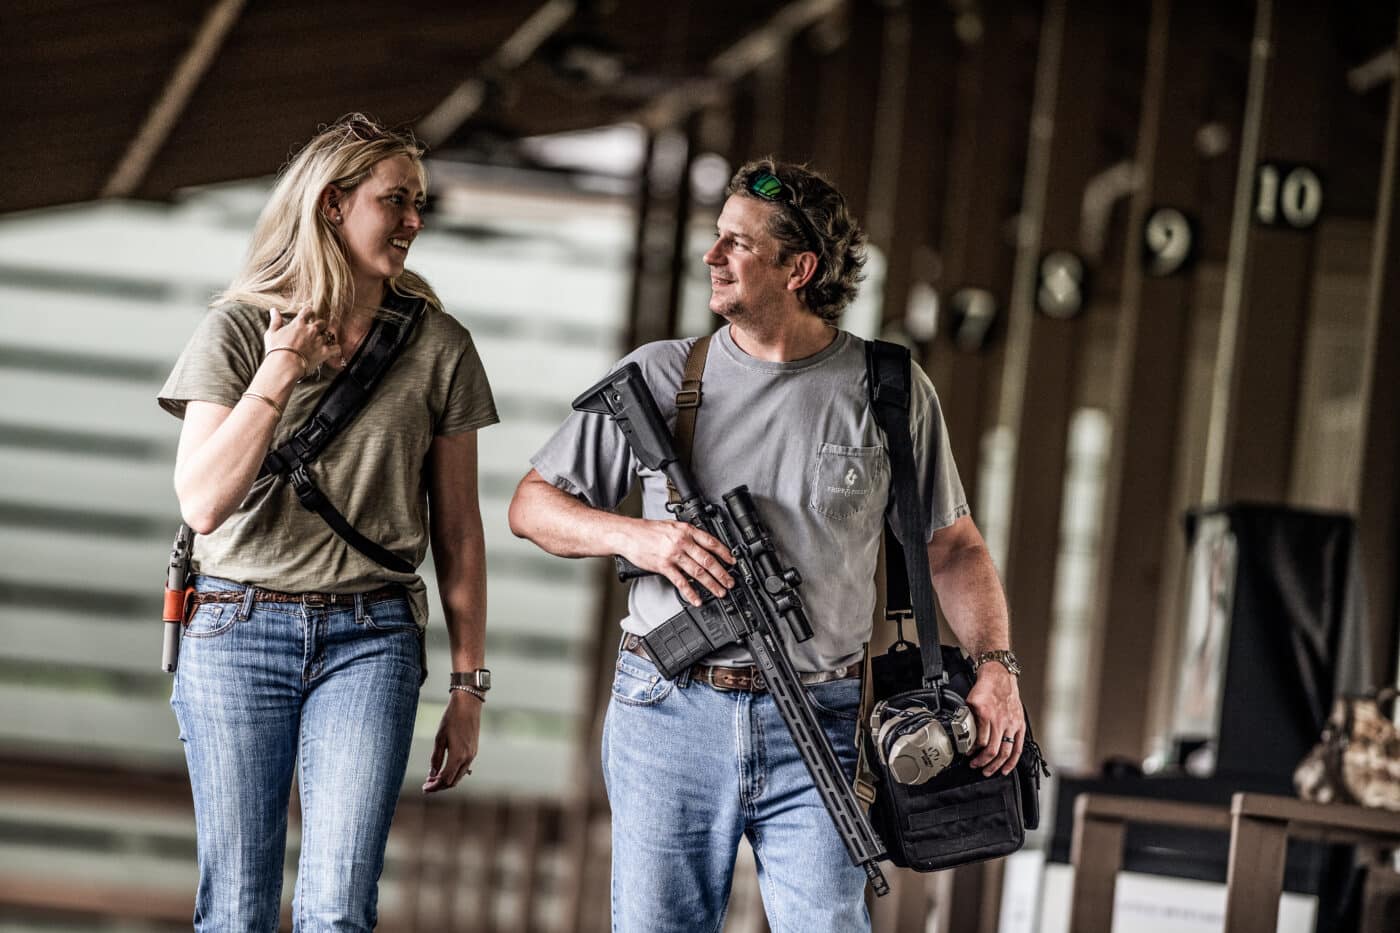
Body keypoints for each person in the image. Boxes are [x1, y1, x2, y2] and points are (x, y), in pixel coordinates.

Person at [508, 158, 1025, 932]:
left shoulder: (888, 389)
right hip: (669, 711)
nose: (712, 255)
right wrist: (642, 538)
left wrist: (997, 666)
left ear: (799, 268)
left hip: (824, 713)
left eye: (738, 243)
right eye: (717, 237)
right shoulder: (660, 376)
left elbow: (951, 548)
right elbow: (532, 506)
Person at [157, 113, 497, 931]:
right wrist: (281, 369)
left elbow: (459, 532)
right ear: (333, 204)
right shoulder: (239, 329)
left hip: (370, 636)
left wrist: (468, 686)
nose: (414, 221)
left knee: (339, 906)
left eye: (419, 203)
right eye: (396, 200)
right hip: (235, 628)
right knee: (237, 908)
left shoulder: (440, 346)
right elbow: (202, 501)